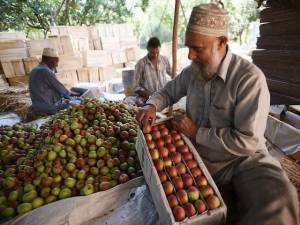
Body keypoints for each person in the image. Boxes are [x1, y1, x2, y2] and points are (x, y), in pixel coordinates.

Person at [137, 3, 299, 225]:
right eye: (188, 47)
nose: (191, 55)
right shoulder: (192, 72)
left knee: (279, 198)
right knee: (172, 201)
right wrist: (152, 105)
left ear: (221, 42)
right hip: (199, 157)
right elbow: (168, 91)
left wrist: (196, 132)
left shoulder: (249, 79)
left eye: (198, 48)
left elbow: (247, 141)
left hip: (243, 160)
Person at [29, 48, 86, 115]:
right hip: (48, 106)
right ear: (51, 61)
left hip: (37, 105)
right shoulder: (45, 71)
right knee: (79, 102)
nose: (57, 65)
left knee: (73, 99)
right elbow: (63, 91)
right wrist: (74, 95)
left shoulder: (34, 70)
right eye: (56, 62)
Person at [132, 37, 171, 106]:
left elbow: (172, 73)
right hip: (148, 99)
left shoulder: (164, 60)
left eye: (157, 52)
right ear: (147, 49)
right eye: (152, 53)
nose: (155, 55)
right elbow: (136, 87)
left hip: (163, 98)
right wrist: (149, 95)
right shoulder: (141, 64)